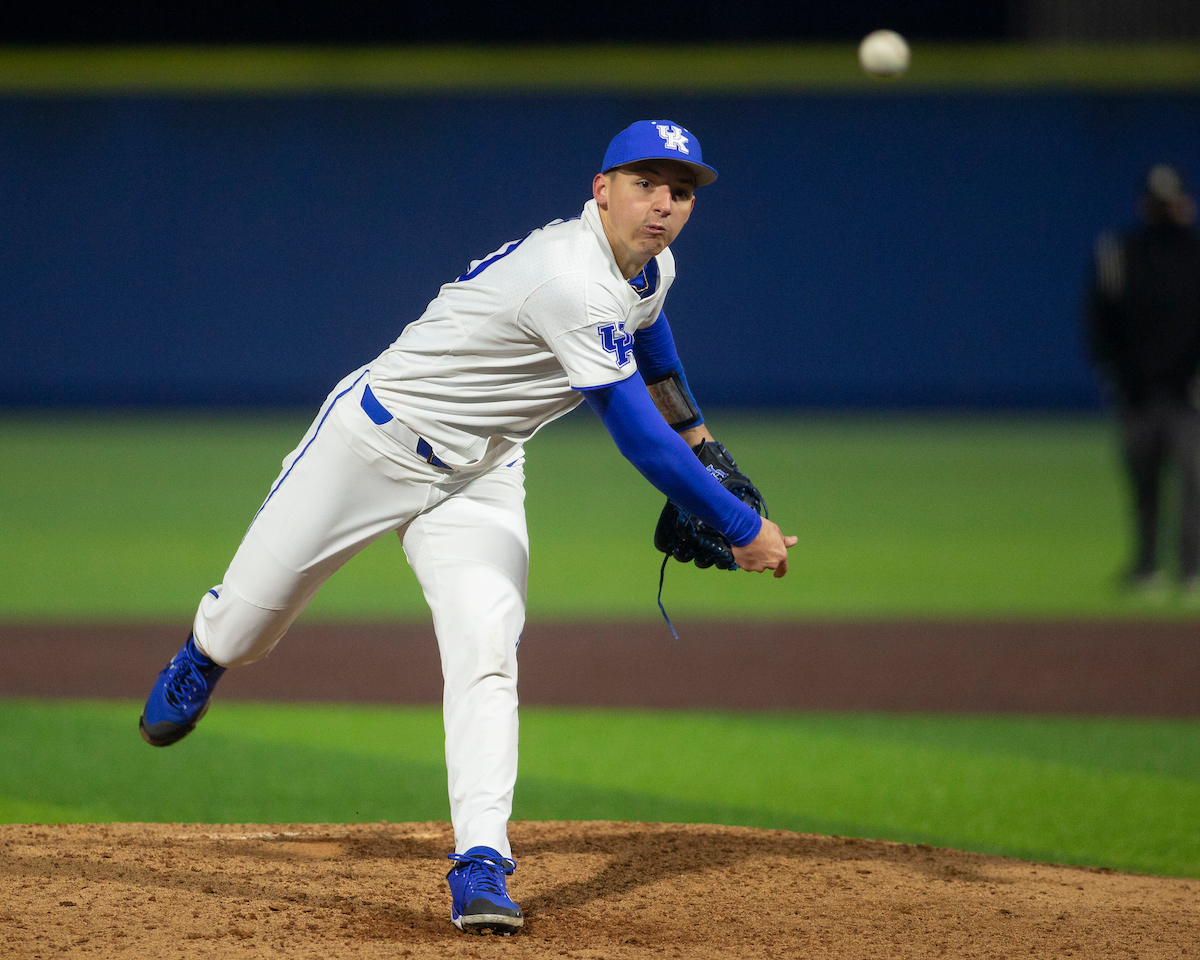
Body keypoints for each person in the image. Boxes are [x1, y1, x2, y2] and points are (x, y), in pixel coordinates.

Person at [137, 120, 796, 934]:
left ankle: (481, 861)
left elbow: (651, 335)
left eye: (681, 191)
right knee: (247, 628)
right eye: (645, 184)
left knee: (486, 646)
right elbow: (636, 437)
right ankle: (204, 653)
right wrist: (738, 524)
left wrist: (700, 437)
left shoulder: (648, 266)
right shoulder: (569, 278)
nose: (663, 204)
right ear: (601, 190)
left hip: (481, 473)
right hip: (370, 447)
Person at [1087, 163, 1200, 593]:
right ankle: (1149, 565)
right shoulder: (1119, 255)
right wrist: (1118, 376)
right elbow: (1099, 324)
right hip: (1140, 394)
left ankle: (1190, 569)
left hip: (1187, 395)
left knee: (1192, 484)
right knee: (1145, 485)